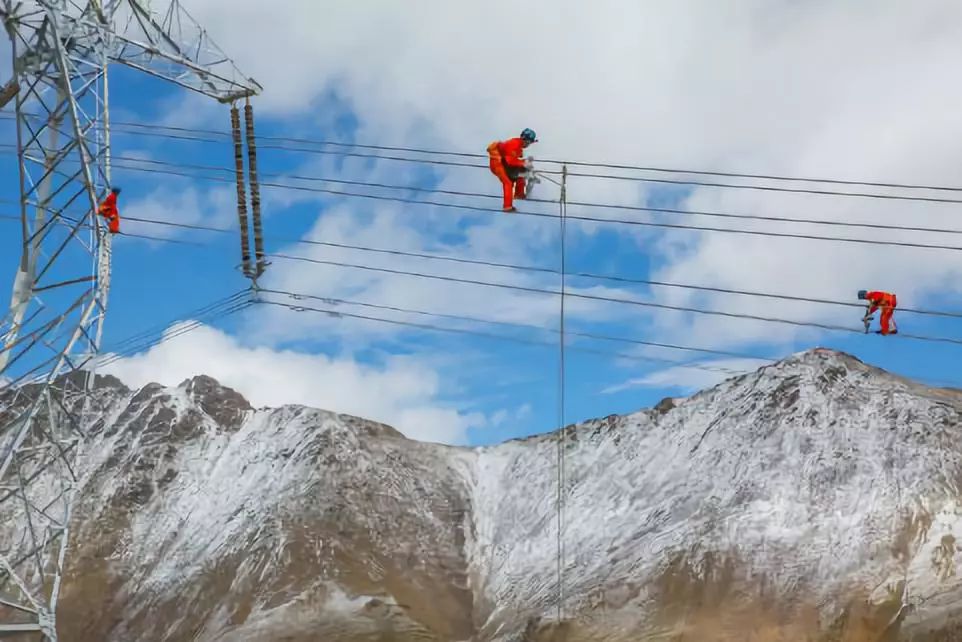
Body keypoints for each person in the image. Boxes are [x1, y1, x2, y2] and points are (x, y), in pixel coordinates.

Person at [487, 128, 537, 212]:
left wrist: (524, 163)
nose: (529, 145)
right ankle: (507, 207)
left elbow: (515, 157)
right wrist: (523, 163)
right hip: (497, 164)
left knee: (522, 173)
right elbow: (510, 161)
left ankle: (519, 195)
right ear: (526, 140)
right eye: (529, 142)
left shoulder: (519, 145)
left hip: (504, 163)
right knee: (508, 183)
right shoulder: (514, 144)